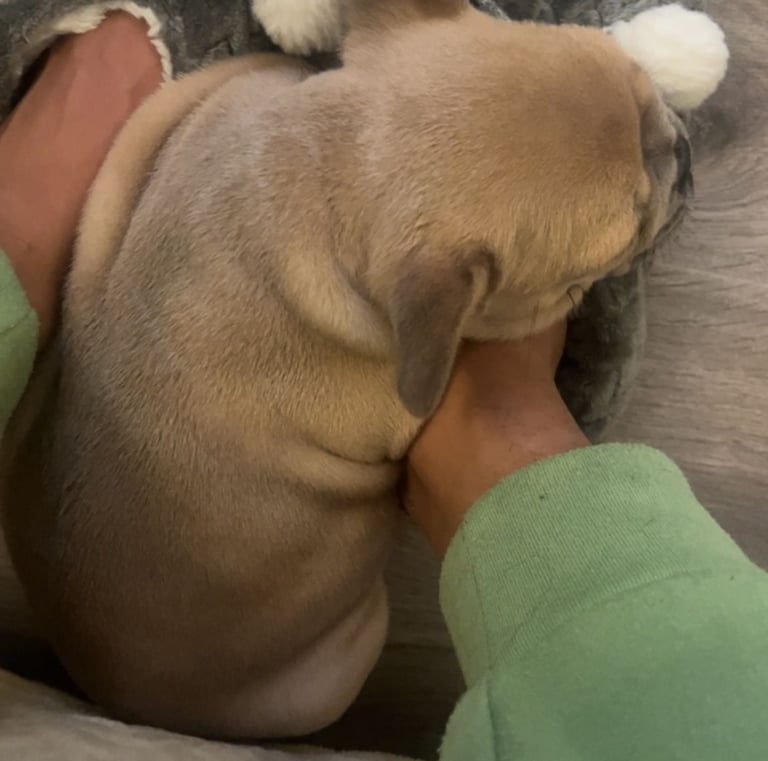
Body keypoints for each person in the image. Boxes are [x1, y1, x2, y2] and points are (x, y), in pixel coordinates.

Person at [1, 13, 767, 761]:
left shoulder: (242, 108)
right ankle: (487, 431)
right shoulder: (417, 320)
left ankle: (21, 232)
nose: (673, 155)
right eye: (636, 213)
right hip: (243, 679)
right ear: (438, 311)